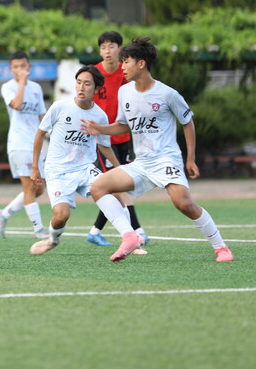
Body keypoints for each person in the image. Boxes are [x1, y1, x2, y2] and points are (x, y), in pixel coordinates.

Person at [82, 37, 234, 263]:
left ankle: (221, 248)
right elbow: (124, 125)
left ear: (141, 64)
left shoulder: (167, 94)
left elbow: (188, 122)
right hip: (141, 163)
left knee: (184, 204)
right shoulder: (124, 91)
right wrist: (100, 129)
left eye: (126, 61)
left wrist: (190, 159)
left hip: (166, 160)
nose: (122, 66)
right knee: (98, 187)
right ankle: (130, 236)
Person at [27, 66, 122, 255]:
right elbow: (40, 133)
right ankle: (53, 239)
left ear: (96, 89)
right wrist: (35, 167)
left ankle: (130, 238)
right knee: (61, 216)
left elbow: (104, 146)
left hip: (85, 168)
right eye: (78, 82)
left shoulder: (100, 116)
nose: (81, 87)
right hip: (58, 170)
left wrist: (120, 169)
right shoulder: (60, 107)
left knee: (114, 195)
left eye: (87, 84)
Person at [85, 31, 149, 249]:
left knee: (117, 186)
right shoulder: (93, 74)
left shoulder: (126, 73)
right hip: (102, 141)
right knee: (116, 186)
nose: (107, 51)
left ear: (119, 49)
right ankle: (137, 231)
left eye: (111, 46)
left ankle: (95, 232)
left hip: (123, 138)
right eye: (103, 47)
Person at [0, 51, 48, 239]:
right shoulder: (7, 87)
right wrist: (22, 82)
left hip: (35, 144)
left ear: (29, 66)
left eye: (23, 66)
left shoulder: (37, 88)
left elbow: (42, 115)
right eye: (16, 67)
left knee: (39, 188)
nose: (20, 69)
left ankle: (4, 214)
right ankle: (38, 230)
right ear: (11, 69)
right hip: (19, 143)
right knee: (30, 186)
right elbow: (16, 104)